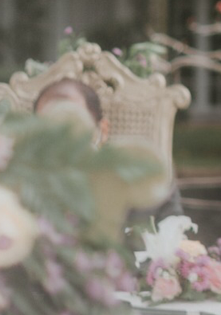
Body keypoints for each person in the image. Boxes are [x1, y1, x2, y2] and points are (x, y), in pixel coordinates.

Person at [34, 77, 184, 224]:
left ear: (102, 131)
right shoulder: (19, 185)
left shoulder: (149, 181)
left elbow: (174, 243)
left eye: (72, 125)